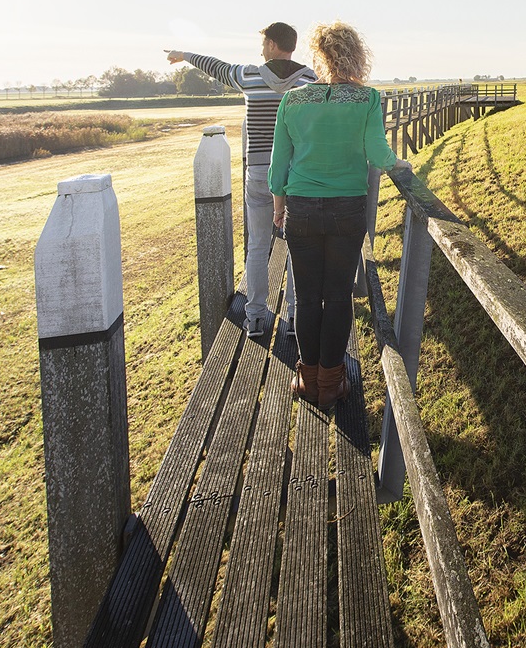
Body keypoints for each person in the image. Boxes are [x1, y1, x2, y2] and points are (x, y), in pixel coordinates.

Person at [270, 22, 413, 409]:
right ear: (356, 55)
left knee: (306, 296)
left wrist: (280, 208)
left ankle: (307, 378)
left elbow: (278, 163)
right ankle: (332, 384)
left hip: (300, 207)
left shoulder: (292, 100)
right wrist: (401, 164)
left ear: (318, 55)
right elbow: (377, 154)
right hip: (346, 209)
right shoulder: (366, 99)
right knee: (336, 297)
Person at [166, 23, 317, 338]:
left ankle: (256, 318)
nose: (261, 50)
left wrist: (184, 55)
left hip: (260, 174)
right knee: (297, 248)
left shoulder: (250, 76)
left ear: (274, 45)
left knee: (259, 245)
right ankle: (293, 318)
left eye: (264, 44)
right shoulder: (309, 81)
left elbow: (217, 67)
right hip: (297, 176)